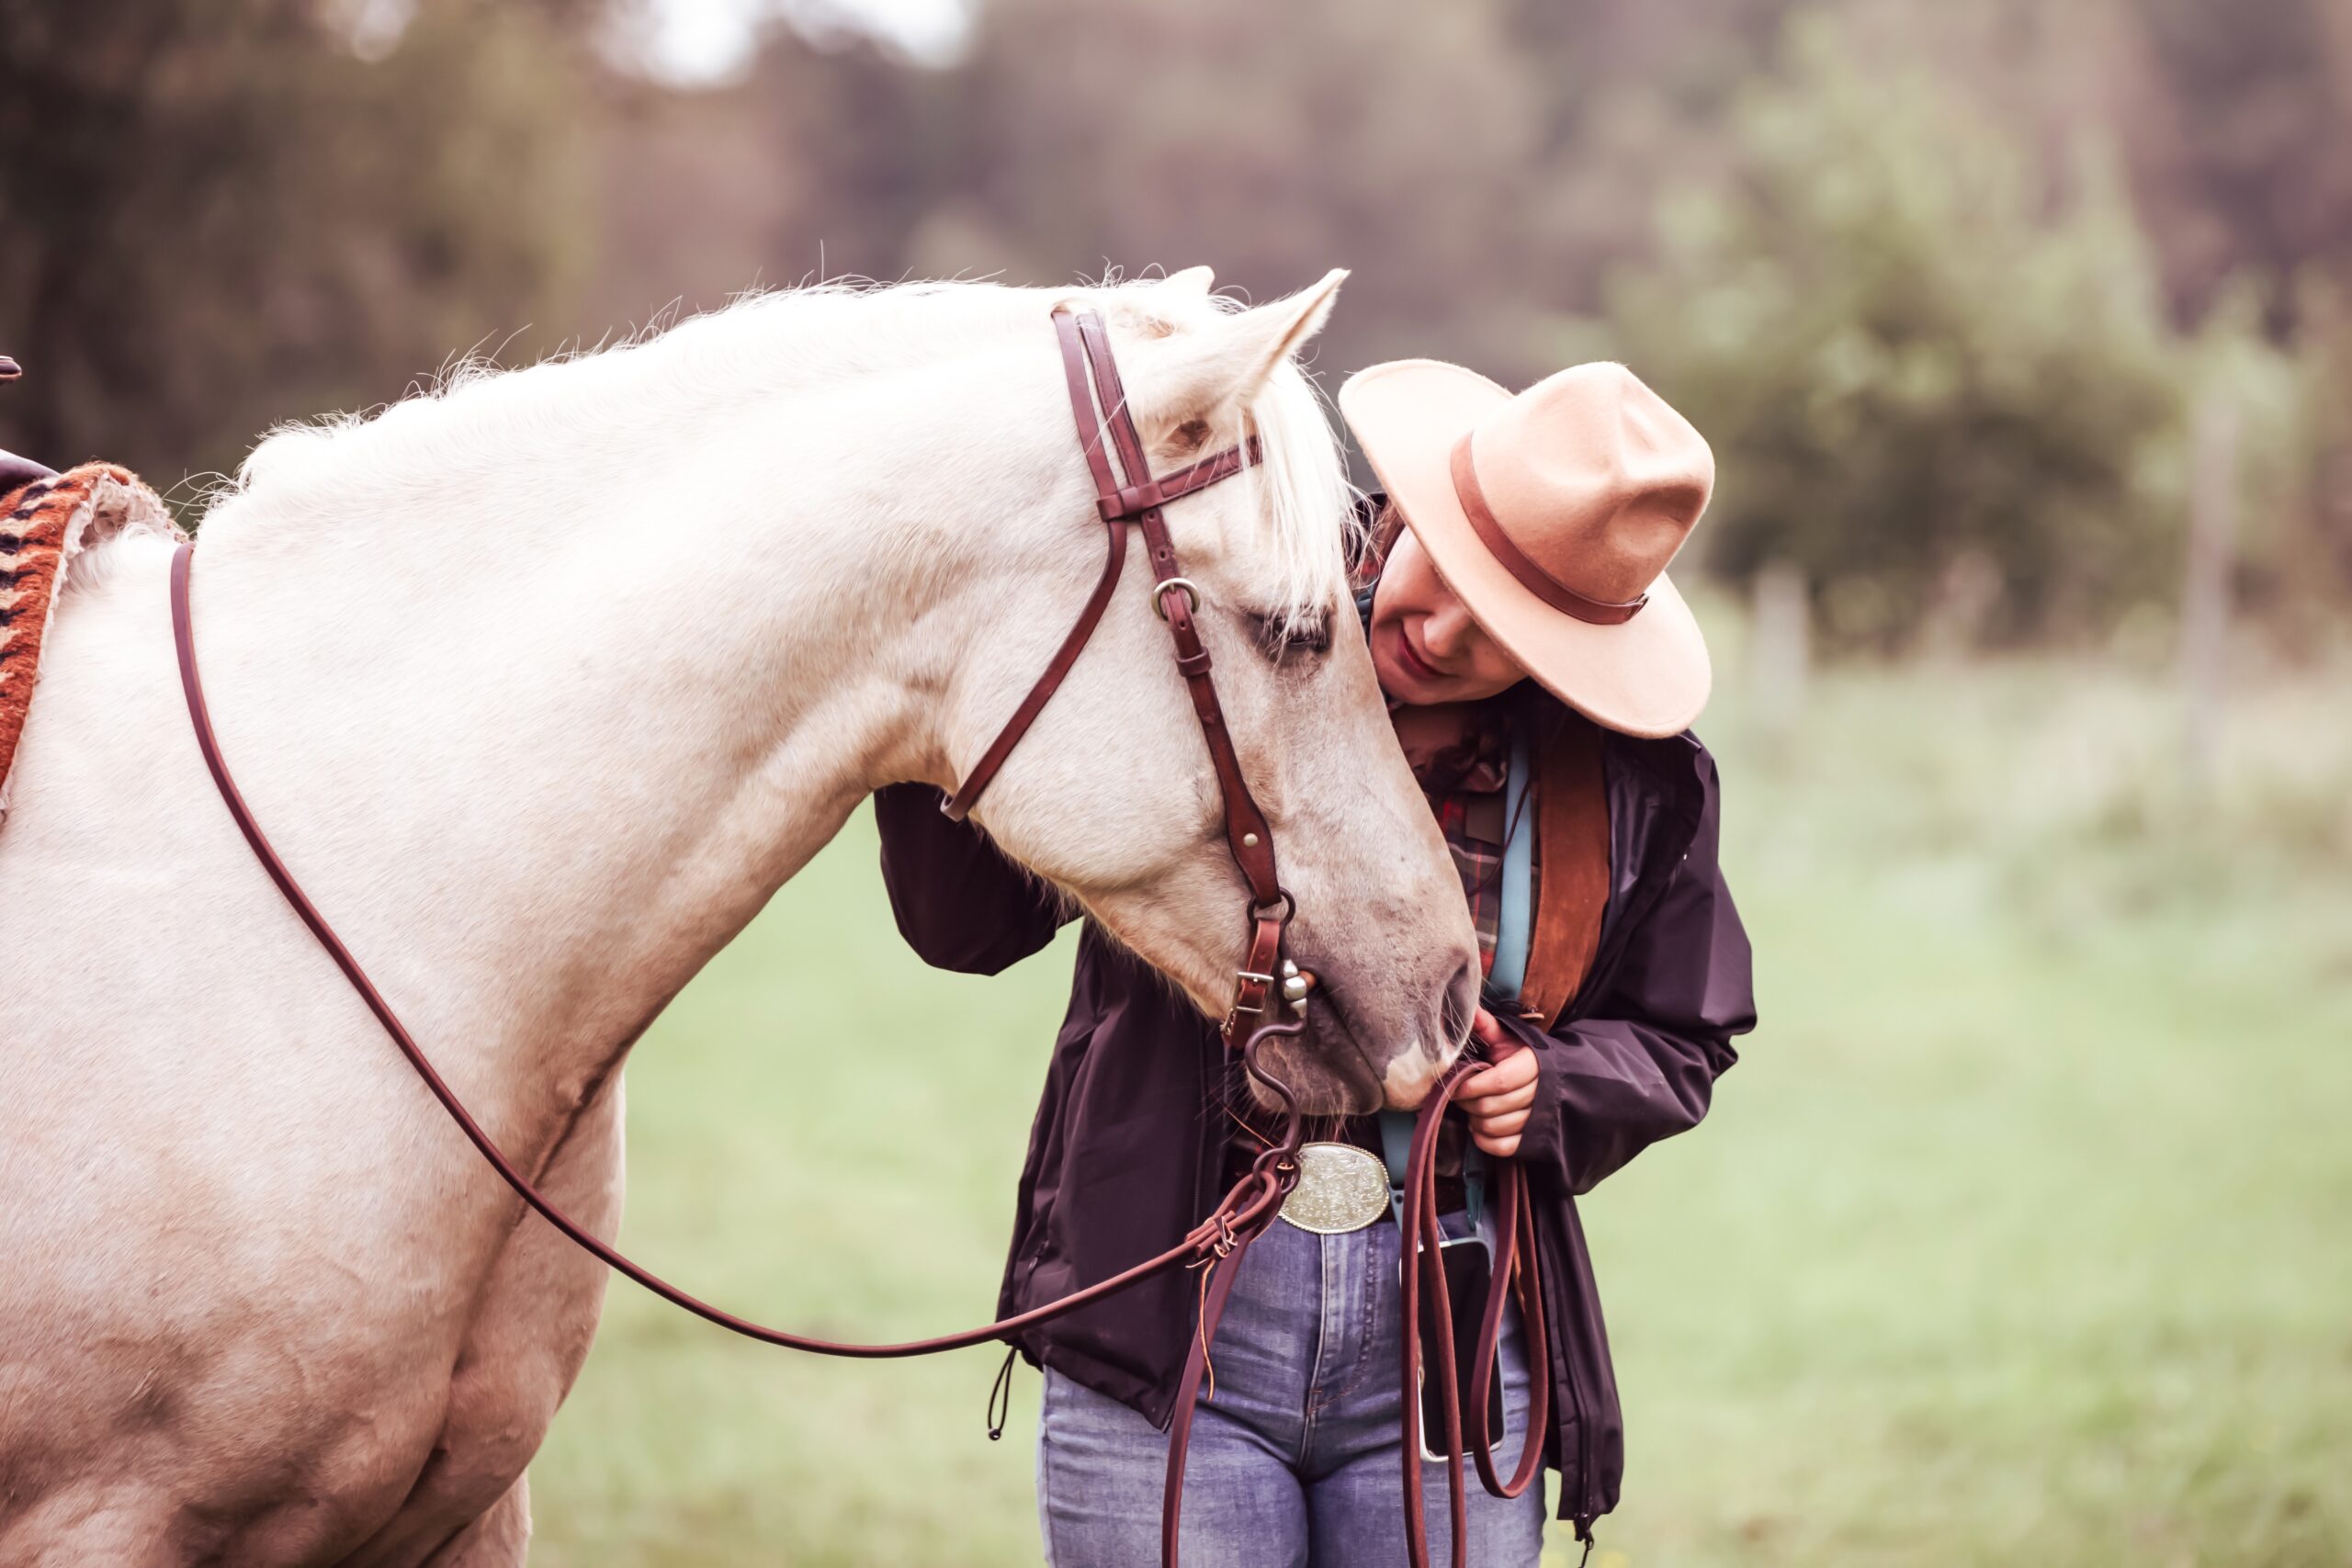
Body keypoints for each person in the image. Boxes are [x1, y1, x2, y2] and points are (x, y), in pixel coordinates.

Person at [874, 355, 1756, 1566]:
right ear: (1408, 508)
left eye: (1501, 631)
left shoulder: (1632, 777)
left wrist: (1557, 1091)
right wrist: (942, 697)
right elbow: (968, 930)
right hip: (1168, 1318)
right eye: (1443, 567)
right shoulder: (1205, 635)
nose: (1437, 630)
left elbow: (1681, 1034)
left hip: (1452, 1343)